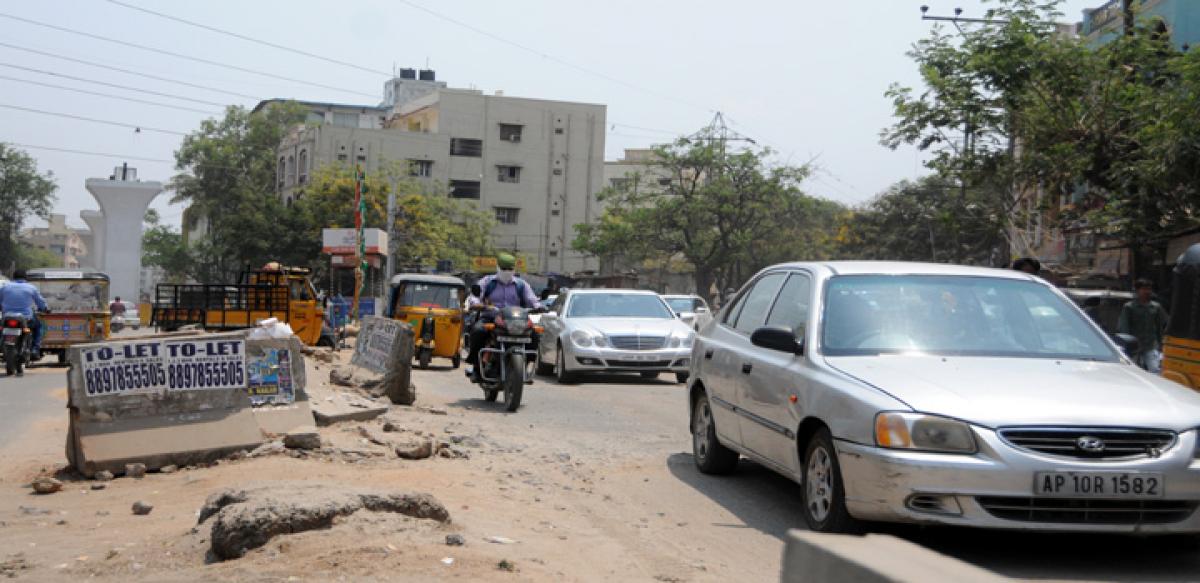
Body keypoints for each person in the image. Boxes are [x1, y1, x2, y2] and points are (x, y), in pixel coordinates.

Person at [466, 253, 543, 380]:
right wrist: (478, 304)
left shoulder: (521, 285)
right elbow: (474, 297)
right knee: (478, 331)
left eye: (510, 269)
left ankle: (526, 364)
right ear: (498, 267)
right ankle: (476, 367)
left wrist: (539, 306)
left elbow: (532, 299)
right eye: (504, 269)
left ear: (514, 269)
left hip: (516, 320)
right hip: (491, 317)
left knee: (534, 334)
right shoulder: (487, 282)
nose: (507, 272)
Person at [1118, 278, 1169, 372]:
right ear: (1137, 291)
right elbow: (1124, 327)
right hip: (1134, 346)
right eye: (1144, 289)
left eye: (1149, 289)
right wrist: (1127, 344)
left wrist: (1161, 343)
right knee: (1133, 370)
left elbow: (1161, 326)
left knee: (1155, 370)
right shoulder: (1129, 307)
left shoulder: (1156, 307)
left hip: (1151, 345)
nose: (1147, 291)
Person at [0, 269, 50, 359]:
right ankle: (35, 349)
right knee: (38, 327)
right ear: (25, 278)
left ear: (13, 277)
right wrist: (45, 309)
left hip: (6, 317)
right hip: (26, 318)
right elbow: (40, 302)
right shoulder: (31, 288)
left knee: (1, 329)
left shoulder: (4, 287)